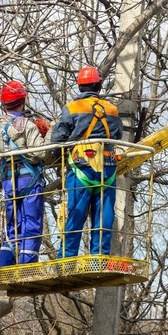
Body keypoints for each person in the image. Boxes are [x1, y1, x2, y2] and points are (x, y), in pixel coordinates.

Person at [50, 66, 123, 258]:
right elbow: (117, 135)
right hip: (107, 168)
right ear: (99, 85)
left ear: (80, 86)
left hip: (81, 165)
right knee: (104, 214)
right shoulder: (112, 109)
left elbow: (58, 139)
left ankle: (67, 257)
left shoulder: (72, 108)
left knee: (75, 213)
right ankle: (100, 255)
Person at [0, 80, 50, 267]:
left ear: (3, 103)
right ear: (23, 100)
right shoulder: (27, 126)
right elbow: (40, 153)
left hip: (9, 181)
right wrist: (48, 133)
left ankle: (4, 264)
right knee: (31, 224)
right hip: (29, 179)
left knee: (12, 225)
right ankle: (27, 266)